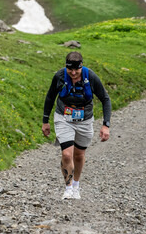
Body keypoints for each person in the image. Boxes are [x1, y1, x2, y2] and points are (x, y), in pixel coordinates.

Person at [41, 51, 111, 199]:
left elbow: (105, 99)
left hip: (85, 120)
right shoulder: (60, 76)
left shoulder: (90, 77)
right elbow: (50, 97)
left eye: (76, 70)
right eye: (70, 69)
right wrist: (45, 121)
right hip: (63, 118)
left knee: (79, 155)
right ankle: (68, 188)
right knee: (67, 154)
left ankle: (76, 185)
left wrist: (106, 125)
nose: (73, 73)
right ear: (66, 67)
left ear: (81, 66)